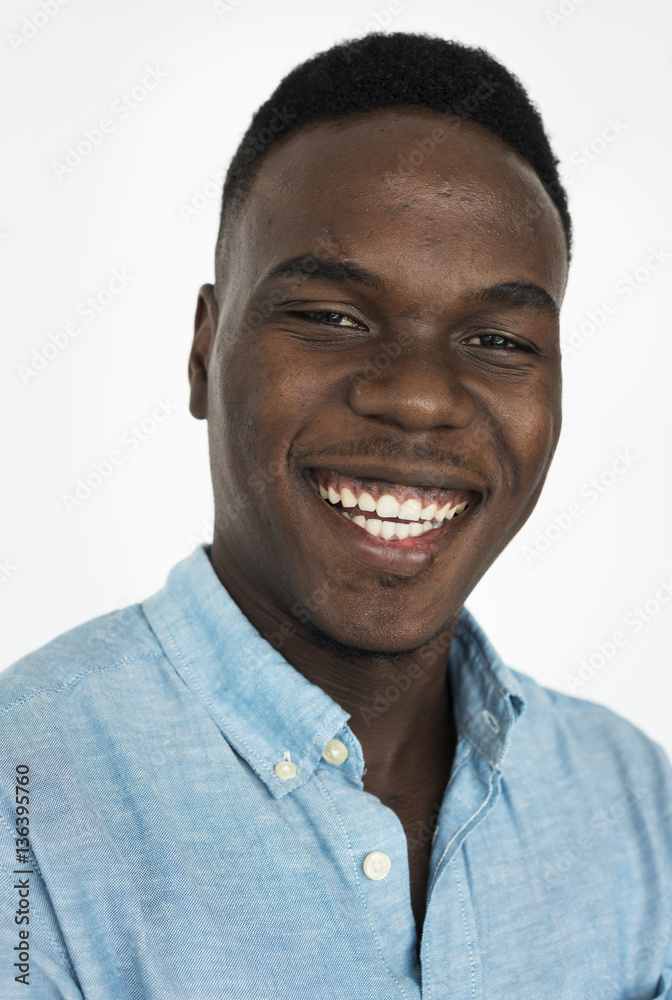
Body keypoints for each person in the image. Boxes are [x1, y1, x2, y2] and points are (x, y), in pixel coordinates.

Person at [1, 31, 670, 999]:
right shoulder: (30, 799)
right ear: (202, 351)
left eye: (496, 338)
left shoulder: (635, 802)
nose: (420, 399)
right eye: (332, 317)